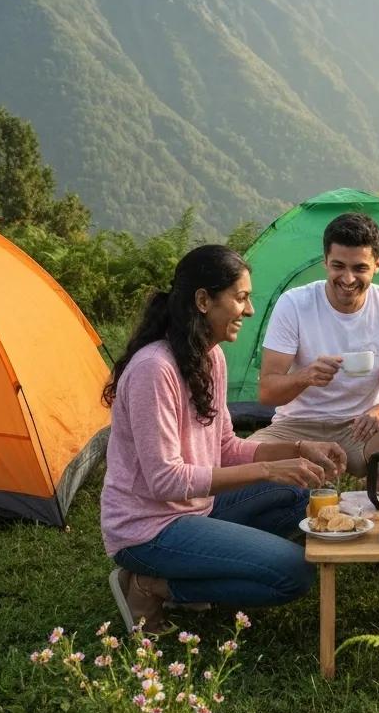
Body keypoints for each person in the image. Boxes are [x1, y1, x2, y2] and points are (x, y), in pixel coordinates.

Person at [101, 245, 346, 633]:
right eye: (241, 297)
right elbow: (165, 480)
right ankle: (151, 584)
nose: (248, 311)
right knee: (293, 573)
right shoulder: (154, 369)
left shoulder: (209, 357)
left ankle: (207, 562)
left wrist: (299, 449)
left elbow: (226, 447)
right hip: (149, 529)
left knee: (304, 497)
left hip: (197, 508)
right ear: (203, 300)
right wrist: (268, 469)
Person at [249, 212, 379, 476]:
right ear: (325, 262)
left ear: (377, 264)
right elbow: (268, 392)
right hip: (296, 425)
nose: (348, 279)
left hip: (361, 426)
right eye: (338, 266)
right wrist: (305, 377)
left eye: (360, 268)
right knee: (244, 464)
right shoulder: (294, 303)